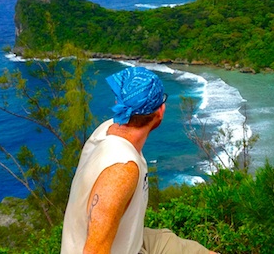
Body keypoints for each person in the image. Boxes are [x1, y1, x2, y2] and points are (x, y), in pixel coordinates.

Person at [61, 66, 217, 254]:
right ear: (161, 111)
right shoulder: (122, 169)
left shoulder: (109, 128)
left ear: (119, 103)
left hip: (130, 239)